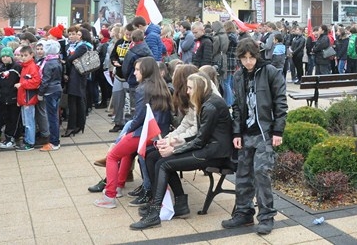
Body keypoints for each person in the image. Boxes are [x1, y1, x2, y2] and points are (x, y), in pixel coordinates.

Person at [131, 72, 232, 229]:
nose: (187, 91)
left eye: (190, 88)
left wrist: (174, 150)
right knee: (157, 158)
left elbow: (200, 140)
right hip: (209, 148)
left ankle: (155, 213)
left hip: (214, 154)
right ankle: (177, 205)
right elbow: (200, 136)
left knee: (164, 163)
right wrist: (177, 142)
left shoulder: (209, 106)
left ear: (199, 88)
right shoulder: (206, 101)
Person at [221, 37, 287, 236]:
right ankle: (243, 213)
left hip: (265, 132)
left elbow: (280, 102)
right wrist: (236, 132)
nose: (248, 61)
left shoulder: (270, 72)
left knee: (261, 173)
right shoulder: (238, 76)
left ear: (257, 56)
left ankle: (266, 217)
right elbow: (237, 106)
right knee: (242, 174)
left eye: (251, 57)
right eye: (244, 58)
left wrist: (278, 131)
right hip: (246, 132)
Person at [95, 57, 172, 209]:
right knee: (125, 152)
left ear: (146, 71)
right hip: (158, 133)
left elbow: (139, 117)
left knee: (112, 156)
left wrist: (127, 133)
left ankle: (110, 196)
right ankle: (118, 185)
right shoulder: (161, 85)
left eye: (137, 70)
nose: (134, 73)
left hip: (145, 133)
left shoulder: (143, 88)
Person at [63, 26, 93, 137]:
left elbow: (70, 59)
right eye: (70, 34)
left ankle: (73, 126)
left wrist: (67, 60)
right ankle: (77, 125)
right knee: (76, 101)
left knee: (75, 101)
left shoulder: (82, 47)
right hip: (76, 75)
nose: (73, 36)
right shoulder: (75, 46)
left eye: (77, 34)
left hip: (77, 76)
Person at [14, 45, 41, 152]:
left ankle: (30, 142)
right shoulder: (25, 66)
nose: (23, 58)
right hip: (25, 99)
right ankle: (27, 140)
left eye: (25, 55)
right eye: (22, 55)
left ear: (31, 55)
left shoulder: (31, 67)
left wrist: (22, 84)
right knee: (26, 122)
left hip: (28, 99)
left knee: (29, 122)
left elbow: (36, 82)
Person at [38, 40, 63, 151]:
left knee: (52, 117)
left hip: (50, 91)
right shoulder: (57, 60)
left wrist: (40, 93)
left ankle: (54, 142)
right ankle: (54, 140)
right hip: (57, 89)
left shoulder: (48, 63)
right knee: (54, 116)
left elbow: (45, 80)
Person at [0, 47, 22, 149]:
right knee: (7, 118)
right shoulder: (1, 69)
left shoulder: (16, 67)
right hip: (4, 98)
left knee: (14, 119)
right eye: (3, 56)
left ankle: (12, 138)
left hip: (14, 98)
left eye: (7, 56)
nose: (5, 58)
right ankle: (9, 137)